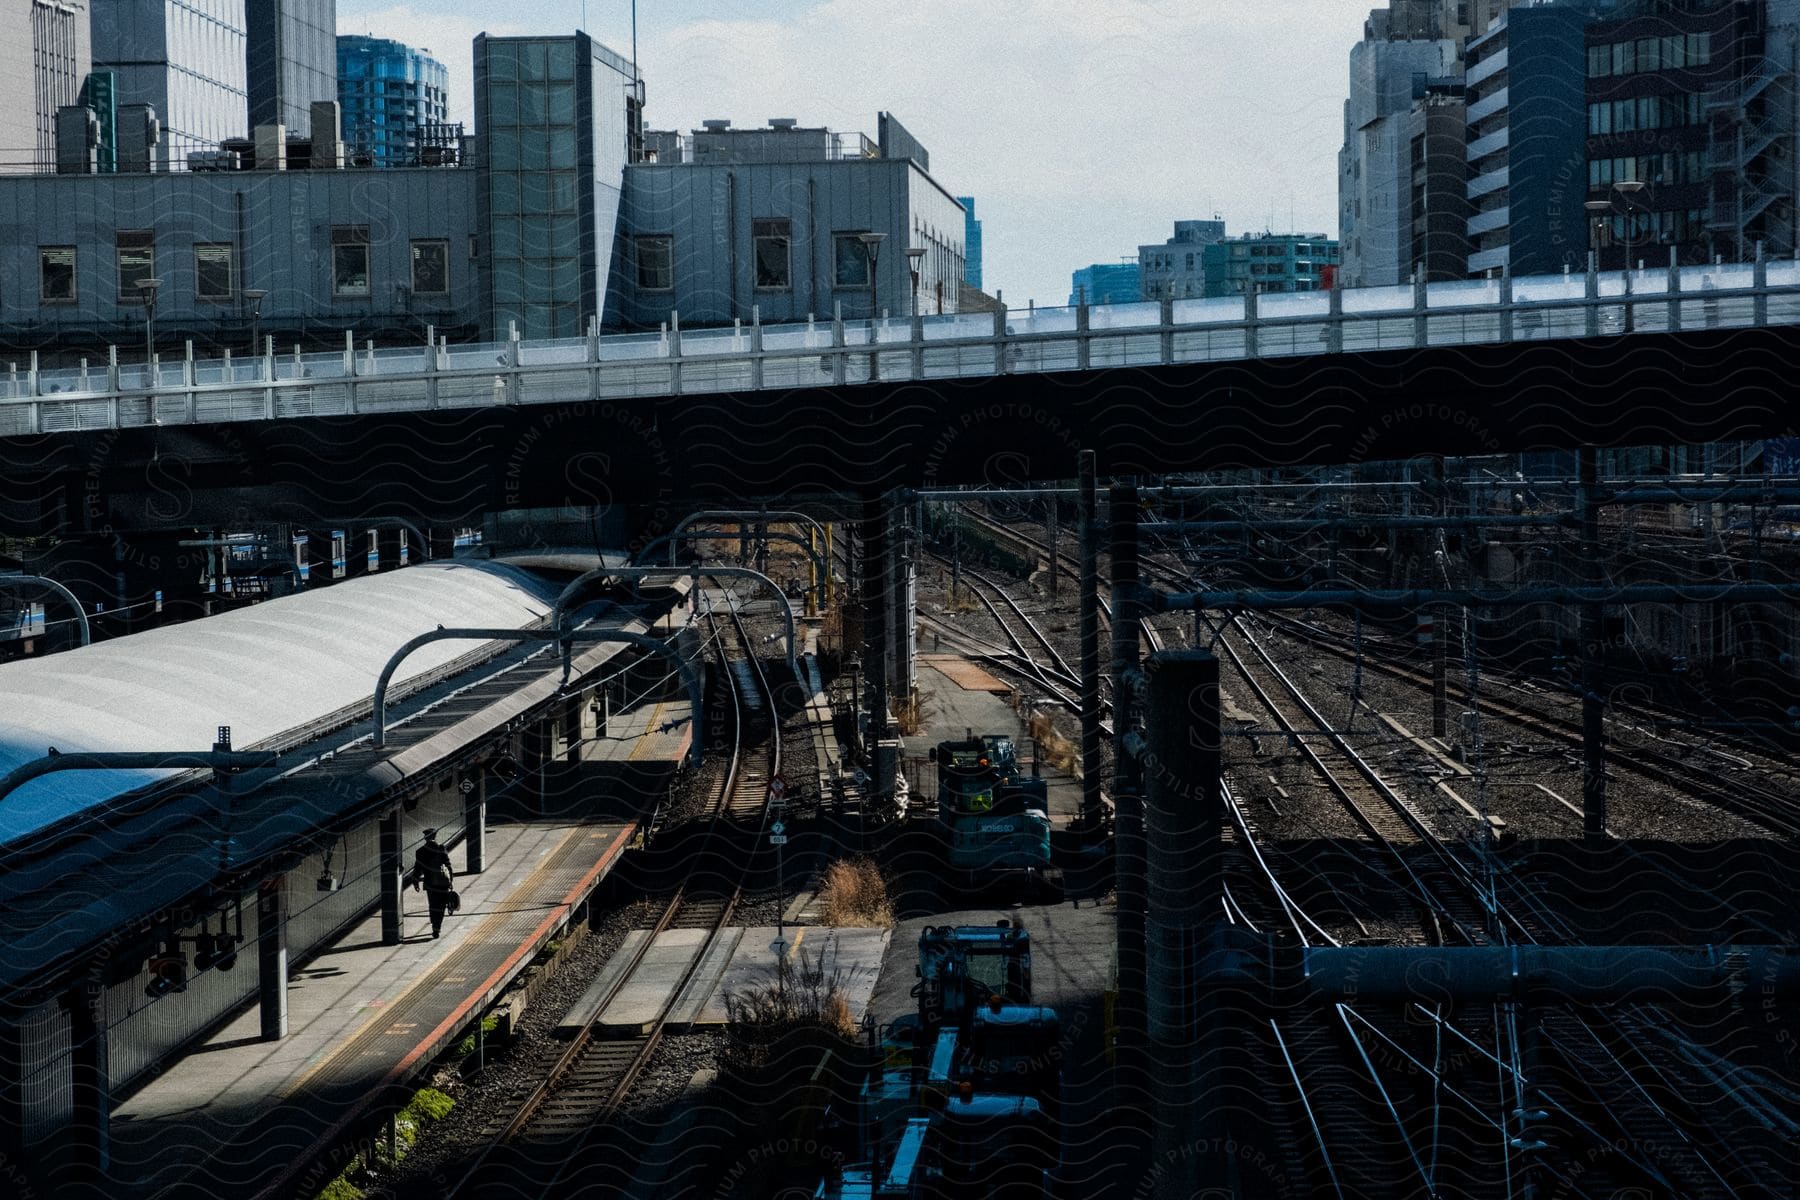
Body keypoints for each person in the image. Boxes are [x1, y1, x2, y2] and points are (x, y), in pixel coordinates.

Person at [409, 828, 458, 939]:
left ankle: (434, 926)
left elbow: (418, 869)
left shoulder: (420, 851)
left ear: (425, 837)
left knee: (433, 905)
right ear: (435, 836)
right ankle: (437, 927)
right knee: (441, 906)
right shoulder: (441, 848)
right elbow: (448, 865)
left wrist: (415, 881)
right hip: (443, 883)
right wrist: (450, 881)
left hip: (430, 883)